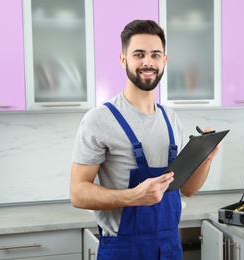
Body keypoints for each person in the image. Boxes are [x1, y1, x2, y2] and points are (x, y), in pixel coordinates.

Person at [70, 19, 220, 259]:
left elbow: (188, 189)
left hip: (170, 246)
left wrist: (206, 158)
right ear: (123, 60)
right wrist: (132, 197)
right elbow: (77, 193)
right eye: (139, 54)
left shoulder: (171, 119)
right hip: (124, 250)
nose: (148, 62)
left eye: (155, 55)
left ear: (164, 60)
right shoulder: (99, 119)